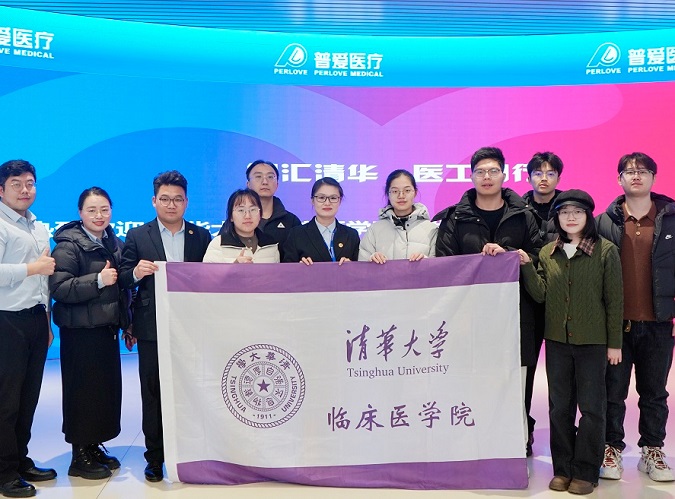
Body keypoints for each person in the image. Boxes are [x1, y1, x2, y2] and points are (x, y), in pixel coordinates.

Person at [434, 146, 543, 459]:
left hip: (517, 312)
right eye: (480, 171)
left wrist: (516, 257)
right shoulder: (455, 217)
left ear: (503, 175)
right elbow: (444, 264)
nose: (487, 177)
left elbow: (539, 256)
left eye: (493, 171)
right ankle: (475, 436)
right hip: (471, 315)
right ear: (471, 177)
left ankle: (518, 436)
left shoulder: (524, 215)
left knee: (517, 377)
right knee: (473, 376)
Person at [518, 189, 623, 495]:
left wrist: (615, 343)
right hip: (557, 342)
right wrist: (526, 265)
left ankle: (586, 471)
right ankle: (562, 469)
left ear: (588, 216)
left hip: (593, 342)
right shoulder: (548, 252)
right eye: (564, 213)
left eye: (577, 212)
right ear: (557, 219)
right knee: (559, 408)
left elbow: (614, 300)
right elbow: (540, 295)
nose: (571, 217)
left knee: (592, 408)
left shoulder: (605, 251)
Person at [119, 171, 211, 483]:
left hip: (192, 328)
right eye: (165, 199)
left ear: (186, 202)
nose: (171, 205)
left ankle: (190, 451)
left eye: (177, 199)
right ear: (154, 201)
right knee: (153, 392)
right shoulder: (137, 235)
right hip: (151, 327)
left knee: (192, 389)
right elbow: (122, 277)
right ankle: (155, 457)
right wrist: (136, 272)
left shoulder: (201, 236)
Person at [596, 152, 675, 483]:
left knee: (654, 392)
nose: (636, 176)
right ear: (619, 179)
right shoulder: (603, 222)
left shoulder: (671, 219)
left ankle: (652, 450)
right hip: (616, 326)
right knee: (612, 392)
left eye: (643, 171)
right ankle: (611, 448)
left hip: (659, 323)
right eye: (629, 172)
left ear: (654, 177)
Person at [49, 187, 130, 480]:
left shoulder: (114, 242)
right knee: (82, 393)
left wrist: (127, 323)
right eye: (92, 210)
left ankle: (93, 446)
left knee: (102, 393)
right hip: (80, 332)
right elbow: (59, 288)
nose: (99, 215)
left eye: (104, 209)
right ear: (80, 213)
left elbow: (122, 289)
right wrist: (97, 280)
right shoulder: (67, 246)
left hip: (106, 330)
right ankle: (79, 455)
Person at [0, 159, 57, 498]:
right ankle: (4, 472)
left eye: (30, 183)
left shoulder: (38, 226)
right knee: (6, 401)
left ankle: (20, 460)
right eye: (16, 184)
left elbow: (44, 282)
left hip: (35, 319)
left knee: (27, 398)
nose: (25, 189)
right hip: (6, 320)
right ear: (1, 190)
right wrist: (32, 268)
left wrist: (46, 323)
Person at [521, 151, 564, 456]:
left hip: (563, 300)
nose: (544, 178)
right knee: (525, 371)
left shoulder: (571, 208)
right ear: (529, 177)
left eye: (550, 173)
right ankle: (523, 429)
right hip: (528, 299)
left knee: (561, 376)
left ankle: (564, 440)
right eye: (538, 173)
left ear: (558, 177)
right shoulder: (517, 209)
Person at [217, 160, 300, 259]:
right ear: (248, 184)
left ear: (277, 185)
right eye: (258, 177)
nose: (265, 182)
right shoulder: (236, 221)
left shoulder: (291, 221)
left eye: (270, 177)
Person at [358, 169, 437, 263]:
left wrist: (426, 262)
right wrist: (371, 261)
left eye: (407, 190)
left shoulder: (431, 230)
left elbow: (439, 266)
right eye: (395, 191)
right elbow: (361, 266)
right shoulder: (374, 230)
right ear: (388, 194)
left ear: (415, 193)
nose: (401, 196)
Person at [283, 177, 359, 265]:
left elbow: (362, 270)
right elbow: (287, 270)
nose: (327, 203)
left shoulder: (351, 235)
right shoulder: (296, 235)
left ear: (340, 201)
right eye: (321, 197)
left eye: (333, 198)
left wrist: (352, 267)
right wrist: (299, 268)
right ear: (312, 200)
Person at [203, 189, 279, 263]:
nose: (248, 216)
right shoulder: (218, 244)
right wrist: (235, 266)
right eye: (241, 210)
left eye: (253, 210)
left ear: (260, 215)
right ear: (231, 217)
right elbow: (207, 271)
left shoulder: (271, 245)